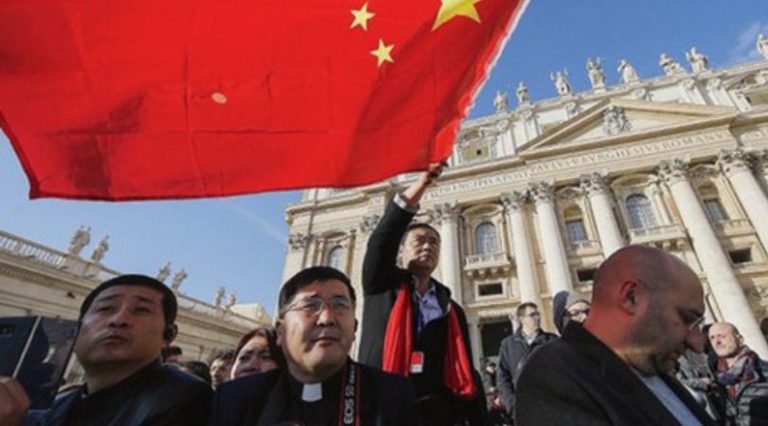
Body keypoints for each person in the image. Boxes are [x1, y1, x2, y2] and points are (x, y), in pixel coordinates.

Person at [515, 245, 717, 425]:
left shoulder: (650, 362)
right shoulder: (552, 376)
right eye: (687, 318)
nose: (698, 345)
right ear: (631, 298)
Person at [358, 163, 486, 425]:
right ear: (401, 251)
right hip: (383, 409)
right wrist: (421, 184)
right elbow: (382, 240)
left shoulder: (451, 309)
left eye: (434, 242)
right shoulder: (382, 286)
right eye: (419, 241)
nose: (428, 246)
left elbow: (465, 367)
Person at [212, 266, 418, 425]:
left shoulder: (393, 396)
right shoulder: (235, 399)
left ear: (354, 328)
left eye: (340, 305)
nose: (327, 318)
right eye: (310, 305)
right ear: (280, 331)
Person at [0, 274, 212, 426]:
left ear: (168, 335)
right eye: (105, 308)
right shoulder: (54, 405)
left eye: (141, 310)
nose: (119, 320)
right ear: (77, 329)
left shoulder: (188, 400)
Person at [496, 302, 558, 419]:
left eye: (538, 314)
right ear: (521, 319)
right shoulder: (508, 345)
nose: (537, 318)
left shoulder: (552, 341)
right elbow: (502, 377)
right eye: (532, 315)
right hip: (522, 408)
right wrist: (511, 404)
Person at [709, 322, 768, 425]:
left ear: (740, 340)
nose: (717, 342)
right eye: (712, 338)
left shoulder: (763, 371)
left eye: (722, 336)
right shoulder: (718, 380)